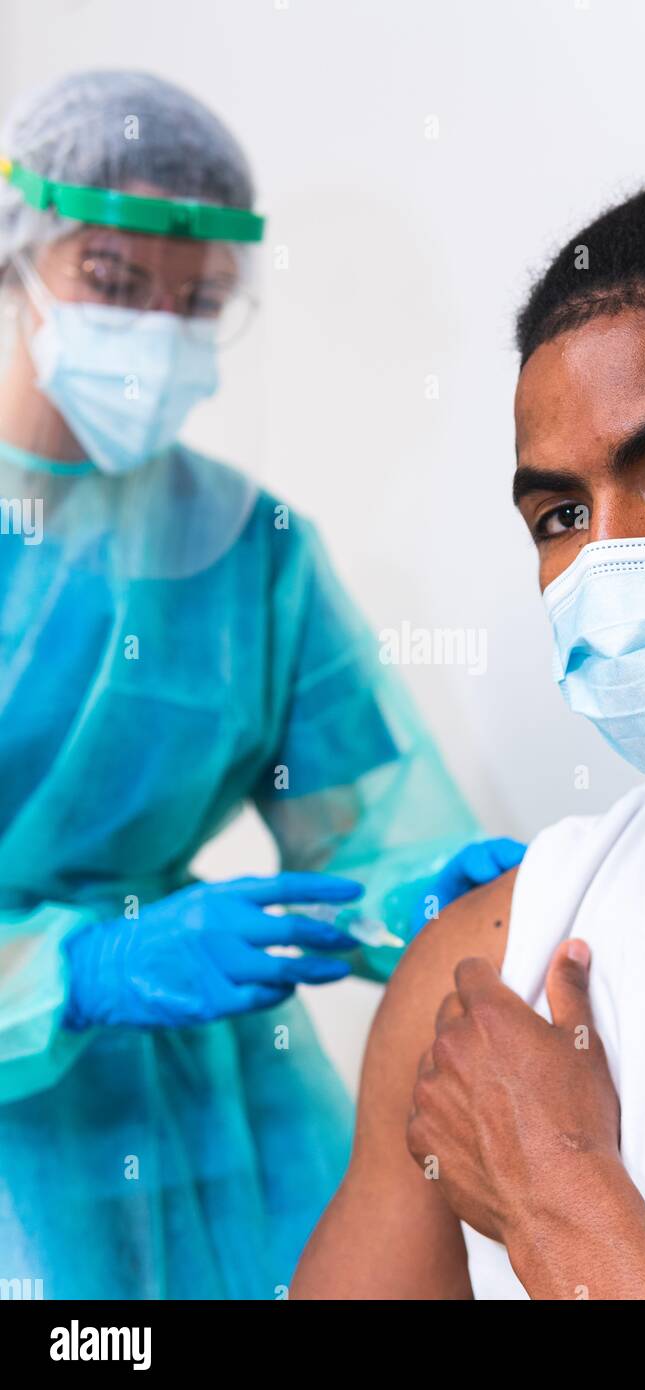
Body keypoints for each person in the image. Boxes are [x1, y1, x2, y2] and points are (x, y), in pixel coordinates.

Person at [0, 69, 523, 1300]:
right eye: (117, 285)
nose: (157, 331)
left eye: (198, 302)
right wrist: (69, 972)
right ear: (19, 253)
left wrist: (416, 904)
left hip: (213, 1119)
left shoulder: (249, 549)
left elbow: (370, 828)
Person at [293, 177, 645, 1300]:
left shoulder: (488, 1033)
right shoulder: (487, 976)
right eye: (560, 515)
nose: (607, 562)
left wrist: (561, 1204)